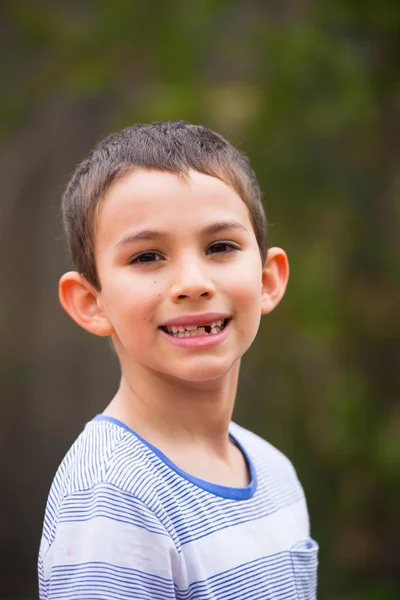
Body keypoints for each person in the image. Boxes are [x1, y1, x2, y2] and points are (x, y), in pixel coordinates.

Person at [38, 121, 318, 599]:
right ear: (91, 302)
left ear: (269, 279)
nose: (193, 281)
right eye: (147, 256)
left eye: (220, 247)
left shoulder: (275, 473)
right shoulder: (111, 498)